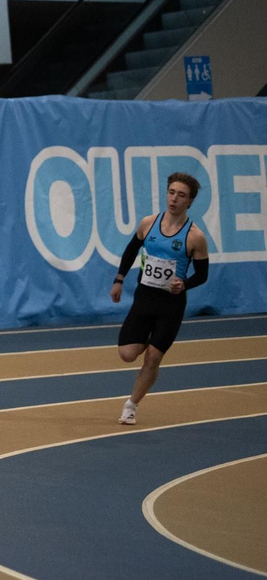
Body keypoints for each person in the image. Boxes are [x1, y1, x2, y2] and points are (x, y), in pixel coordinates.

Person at [109, 172, 209, 425]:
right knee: (127, 354)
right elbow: (131, 250)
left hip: (170, 305)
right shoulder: (148, 223)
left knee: (153, 356)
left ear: (190, 202)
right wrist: (119, 279)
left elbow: (202, 275)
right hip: (144, 299)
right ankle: (149, 343)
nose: (174, 199)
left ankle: (131, 405)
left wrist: (183, 284)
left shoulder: (195, 237)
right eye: (171, 192)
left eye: (181, 195)